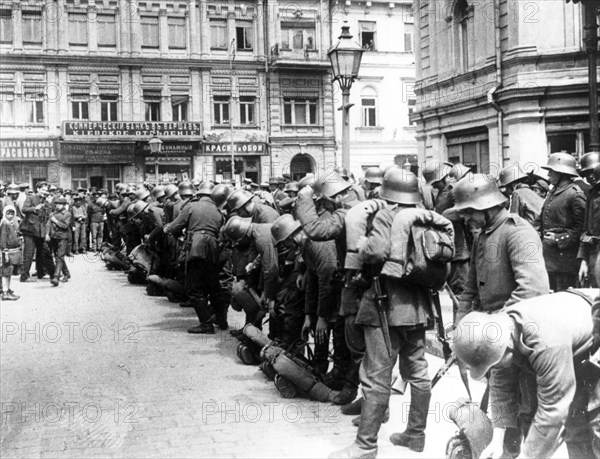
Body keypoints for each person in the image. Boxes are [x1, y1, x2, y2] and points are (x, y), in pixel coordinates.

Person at [330, 167, 433, 458]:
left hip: (384, 306)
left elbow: (374, 252)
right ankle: (416, 434)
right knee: (418, 372)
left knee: (376, 376)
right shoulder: (424, 214)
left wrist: (362, 245)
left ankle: (365, 446)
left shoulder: (387, 215)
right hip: (419, 306)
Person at [453, 292, 599, 459]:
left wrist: (528, 456)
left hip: (593, 332)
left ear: (507, 350)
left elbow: (553, 409)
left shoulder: (546, 342)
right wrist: (497, 440)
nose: (495, 369)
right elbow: (501, 384)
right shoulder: (501, 332)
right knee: (575, 426)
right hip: (574, 348)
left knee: (595, 425)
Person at [164, 186, 226, 334]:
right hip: (213, 249)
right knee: (213, 286)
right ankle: (222, 320)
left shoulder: (191, 206)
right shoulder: (218, 211)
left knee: (195, 288)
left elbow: (176, 226)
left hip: (195, 248)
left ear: (198, 195)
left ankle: (206, 324)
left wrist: (168, 229)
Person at [535, 152, 586, 291]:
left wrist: (558, 238)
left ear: (561, 172)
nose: (548, 176)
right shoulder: (553, 192)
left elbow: (582, 229)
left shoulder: (575, 194)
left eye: (551, 172)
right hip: (549, 258)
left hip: (565, 261)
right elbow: (542, 219)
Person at [19, 182, 55, 282]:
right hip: (29, 230)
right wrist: (35, 208)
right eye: (43, 190)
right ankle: (24, 276)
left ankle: (42, 273)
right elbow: (24, 209)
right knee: (29, 253)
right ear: (38, 189)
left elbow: (47, 217)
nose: (45, 192)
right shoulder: (31, 198)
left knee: (43, 251)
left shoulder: (46, 201)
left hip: (40, 231)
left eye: (46, 190)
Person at [579, 158, 600, 288]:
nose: (590, 177)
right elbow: (586, 231)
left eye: (592, 172)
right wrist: (583, 260)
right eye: (586, 174)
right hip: (594, 253)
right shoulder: (592, 194)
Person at [45, 197, 72, 286]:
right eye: (56, 204)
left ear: (64, 205)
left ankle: (56, 277)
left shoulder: (67, 214)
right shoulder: (52, 214)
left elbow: (65, 226)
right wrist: (47, 234)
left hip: (63, 237)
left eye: (60, 204)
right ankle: (67, 274)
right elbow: (48, 224)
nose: (57, 206)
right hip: (54, 237)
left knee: (59, 257)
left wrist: (55, 221)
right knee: (58, 256)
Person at [0, 205, 22, 300]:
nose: (10, 215)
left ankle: (7, 290)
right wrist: (5, 251)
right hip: (8, 251)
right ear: (4, 213)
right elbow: (3, 238)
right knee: (6, 272)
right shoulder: (5, 223)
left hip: (12, 251)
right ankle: (5, 292)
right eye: (8, 213)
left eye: (12, 213)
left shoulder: (10, 223)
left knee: (8, 272)